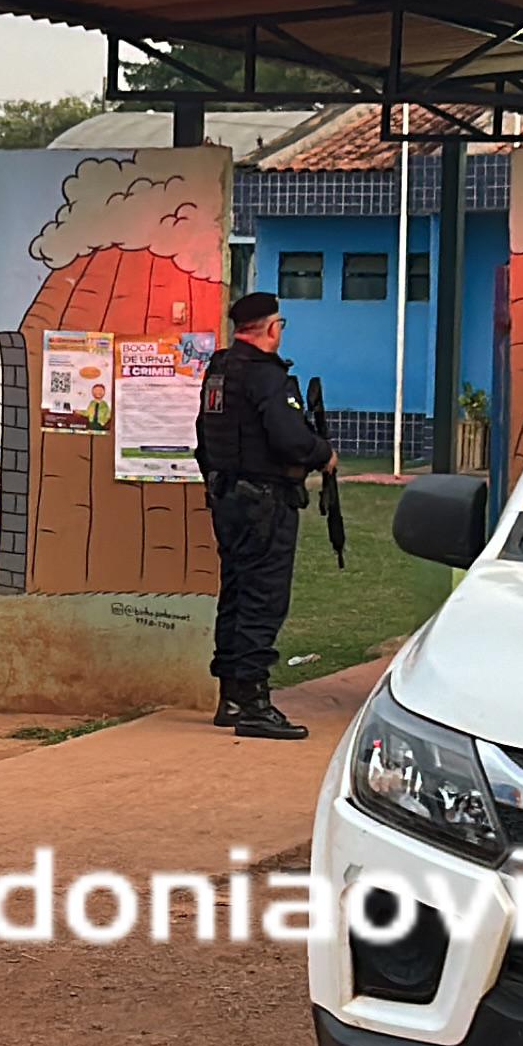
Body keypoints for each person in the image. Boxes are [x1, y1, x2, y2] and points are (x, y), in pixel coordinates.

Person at [197, 291, 333, 740]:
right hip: (265, 501)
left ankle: (232, 696)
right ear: (271, 329)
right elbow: (290, 437)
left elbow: (204, 434)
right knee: (262, 598)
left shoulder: (219, 371)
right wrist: (322, 454)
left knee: (236, 592)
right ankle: (255, 703)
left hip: (227, 496)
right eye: (281, 325)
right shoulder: (265, 376)